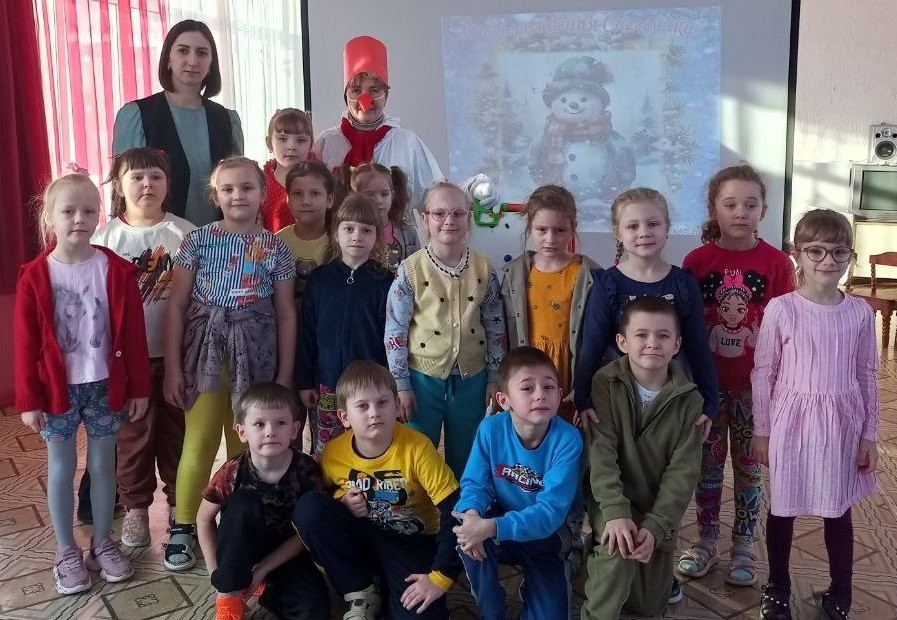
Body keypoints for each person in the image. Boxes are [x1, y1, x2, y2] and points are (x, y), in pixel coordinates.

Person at [15, 174, 150, 594]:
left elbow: (134, 336)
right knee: (61, 467)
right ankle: (65, 550)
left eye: (89, 210)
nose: (79, 218)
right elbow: (25, 343)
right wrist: (29, 399)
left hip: (105, 386)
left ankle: (103, 542)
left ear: (99, 215)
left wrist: (139, 388)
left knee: (103, 465)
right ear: (49, 217)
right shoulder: (35, 276)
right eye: (69, 211)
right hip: (56, 392)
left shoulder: (116, 270)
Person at [163, 157, 297, 572]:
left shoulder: (276, 247)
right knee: (199, 440)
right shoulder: (197, 241)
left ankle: (242, 524)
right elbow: (177, 305)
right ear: (215, 195)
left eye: (247, 188)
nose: (238, 195)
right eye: (228, 189)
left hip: (256, 354)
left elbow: (286, 313)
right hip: (204, 353)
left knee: (248, 444)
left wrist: (284, 376)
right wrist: (173, 367)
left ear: (263, 193)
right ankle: (185, 524)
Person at [751, 210, 879, 620]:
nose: (828, 261)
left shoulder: (859, 312)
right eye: (817, 251)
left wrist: (870, 433)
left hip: (842, 424)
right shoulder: (781, 309)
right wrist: (762, 430)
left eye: (839, 252)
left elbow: (866, 373)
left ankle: (841, 590)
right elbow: (764, 371)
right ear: (797, 253)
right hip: (791, 422)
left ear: (851, 256)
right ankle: (777, 586)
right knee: (783, 506)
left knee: (837, 508)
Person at [679, 164, 795, 587]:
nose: (740, 212)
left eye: (750, 204)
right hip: (706, 390)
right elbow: (685, 326)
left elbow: (788, 332)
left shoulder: (777, 263)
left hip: (755, 392)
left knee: (750, 470)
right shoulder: (696, 262)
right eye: (730, 204)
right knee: (706, 468)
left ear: (763, 209)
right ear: (714, 209)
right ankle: (706, 541)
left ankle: (744, 544)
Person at [292, 361, 462, 620]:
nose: (374, 413)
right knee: (308, 508)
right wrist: (341, 501)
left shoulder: (418, 448)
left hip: (411, 543)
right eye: (362, 406)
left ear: (397, 405)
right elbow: (322, 503)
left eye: (383, 402)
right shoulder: (334, 452)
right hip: (360, 536)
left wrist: (440, 577)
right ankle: (359, 589)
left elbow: (455, 509)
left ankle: (385, 585)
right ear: (344, 417)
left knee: (420, 614)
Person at [90, 147, 194, 547]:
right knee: (132, 439)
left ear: (168, 183)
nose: (147, 184)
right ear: (119, 186)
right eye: (136, 177)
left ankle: (180, 506)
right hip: (126, 364)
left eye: (155, 176)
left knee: (177, 436)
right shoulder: (104, 239)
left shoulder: (186, 233)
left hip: (177, 358)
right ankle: (135, 508)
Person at [580, 296, 704, 619]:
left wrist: (656, 525)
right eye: (641, 335)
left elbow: (683, 474)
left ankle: (592, 560)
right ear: (622, 342)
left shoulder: (690, 401)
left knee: (648, 604)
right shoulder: (605, 383)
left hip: (654, 506)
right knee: (618, 549)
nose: (652, 343)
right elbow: (601, 452)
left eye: (663, 336)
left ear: (677, 344)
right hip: (610, 498)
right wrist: (615, 512)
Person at [384, 181, 506, 478]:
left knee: (467, 453)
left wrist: (494, 376)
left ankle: (462, 503)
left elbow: (496, 326)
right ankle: (419, 504)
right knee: (418, 450)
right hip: (421, 379)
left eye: (457, 213)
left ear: (468, 218)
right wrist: (401, 384)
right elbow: (395, 332)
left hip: (472, 379)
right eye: (439, 213)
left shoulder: (484, 268)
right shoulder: (410, 270)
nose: (449, 220)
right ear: (425, 219)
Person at [452, 346, 583, 620]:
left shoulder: (568, 439)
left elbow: (550, 513)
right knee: (465, 535)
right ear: (504, 399)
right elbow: (475, 483)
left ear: (559, 395)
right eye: (527, 388)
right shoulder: (490, 429)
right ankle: (492, 611)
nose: (540, 394)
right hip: (498, 525)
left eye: (549, 387)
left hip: (544, 536)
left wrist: (491, 526)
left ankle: (534, 590)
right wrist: (472, 516)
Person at [572, 187, 718, 429]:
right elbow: (591, 346)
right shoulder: (607, 284)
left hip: (671, 401)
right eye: (633, 226)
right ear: (617, 233)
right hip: (617, 399)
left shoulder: (683, 283)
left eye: (653, 224)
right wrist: (583, 399)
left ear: (667, 227)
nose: (644, 232)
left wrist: (709, 403)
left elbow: (699, 346)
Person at [197, 383, 329, 620]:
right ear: (242, 432)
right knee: (244, 500)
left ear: (295, 429)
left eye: (280, 423)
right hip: (241, 550)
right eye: (259, 424)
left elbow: (305, 533)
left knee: (315, 610)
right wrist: (218, 576)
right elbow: (204, 519)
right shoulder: (232, 471)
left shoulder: (306, 470)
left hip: (286, 554)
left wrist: (263, 569)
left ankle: (266, 587)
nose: (270, 431)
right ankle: (230, 596)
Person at [112, 19, 243, 226]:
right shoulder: (136, 115)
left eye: (202, 53)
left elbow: (239, 184)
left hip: (219, 238)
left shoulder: (227, 119)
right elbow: (124, 190)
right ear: (168, 59)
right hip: (157, 238)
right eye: (183, 51)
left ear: (211, 63)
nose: (193, 60)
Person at [297, 194, 394, 458]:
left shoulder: (386, 282)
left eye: (366, 230)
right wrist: (305, 381)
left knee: (370, 445)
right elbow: (306, 334)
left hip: (370, 387)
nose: (356, 236)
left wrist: (391, 383)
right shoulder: (320, 279)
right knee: (327, 450)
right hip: (327, 383)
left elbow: (392, 337)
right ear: (336, 233)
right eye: (349, 228)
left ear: (377, 236)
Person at [500, 184, 599, 421]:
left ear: (573, 228)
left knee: (567, 430)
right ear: (529, 227)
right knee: (530, 429)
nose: (550, 239)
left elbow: (596, 335)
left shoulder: (588, 273)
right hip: (527, 366)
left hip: (569, 369)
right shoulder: (514, 273)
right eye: (542, 229)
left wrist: (584, 387)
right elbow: (504, 333)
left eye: (560, 230)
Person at [313, 35, 443, 216]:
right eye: (356, 90)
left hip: (396, 233)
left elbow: (438, 195)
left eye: (374, 90)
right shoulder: (326, 142)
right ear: (346, 96)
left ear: (385, 95)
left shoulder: (407, 143)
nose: (365, 100)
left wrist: (472, 189)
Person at [276, 161, 336, 303]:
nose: (306, 201)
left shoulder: (341, 242)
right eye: (297, 194)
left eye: (315, 193)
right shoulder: (276, 242)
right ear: (288, 200)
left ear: (329, 200)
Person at [350, 162, 420, 272]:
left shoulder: (408, 234)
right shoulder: (349, 235)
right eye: (369, 195)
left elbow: (418, 274)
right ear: (355, 197)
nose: (378, 201)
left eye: (384, 194)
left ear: (393, 194)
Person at [260, 108, 314, 232]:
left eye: (301, 140)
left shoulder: (320, 182)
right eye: (283, 139)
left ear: (310, 144)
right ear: (269, 143)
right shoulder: (260, 184)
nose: (291, 147)